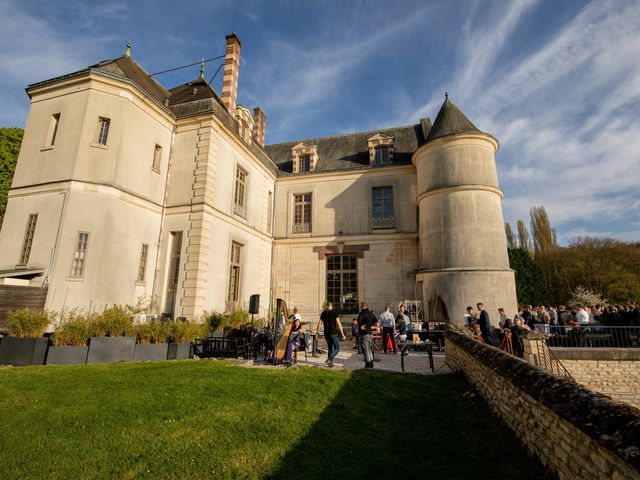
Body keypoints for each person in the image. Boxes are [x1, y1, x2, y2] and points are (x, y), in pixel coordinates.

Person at [316, 302, 345, 368]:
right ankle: (329, 359)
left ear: (326, 306)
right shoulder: (334, 313)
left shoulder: (323, 313)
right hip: (333, 333)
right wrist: (342, 334)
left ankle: (330, 364)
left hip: (326, 333)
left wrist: (317, 332)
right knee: (337, 348)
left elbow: (319, 324)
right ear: (331, 306)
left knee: (330, 348)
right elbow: (339, 324)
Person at [357, 302, 376, 368]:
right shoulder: (371, 313)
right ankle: (371, 363)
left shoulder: (362, 313)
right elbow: (375, 320)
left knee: (366, 349)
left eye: (360, 306)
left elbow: (359, 321)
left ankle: (368, 364)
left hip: (364, 333)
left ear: (362, 306)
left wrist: (363, 326)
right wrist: (369, 325)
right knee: (369, 349)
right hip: (370, 333)